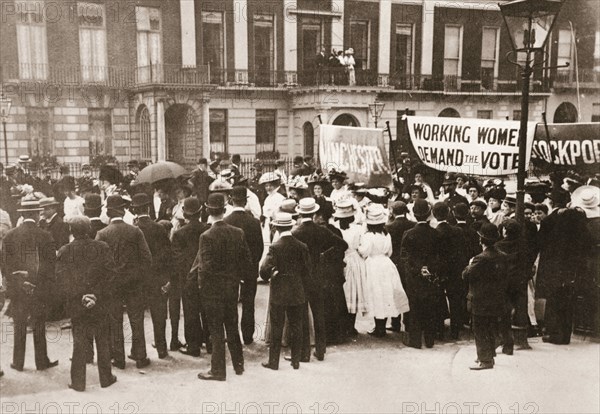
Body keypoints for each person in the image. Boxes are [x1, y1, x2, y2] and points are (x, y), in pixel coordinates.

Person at [195, 193, 252, 381]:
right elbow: (246, 261)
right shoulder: (238, 232)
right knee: (232, 325)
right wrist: (237, 279)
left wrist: (202, 288)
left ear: (209, 211)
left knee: (216, 329)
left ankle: (218, 370)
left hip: (213, 290)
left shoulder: (206, 236)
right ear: (224, 209)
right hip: (231, 287)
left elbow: (205, 268)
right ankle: (239, 365)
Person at [57, 216, 117, 392]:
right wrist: (95, 295)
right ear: (89, 229)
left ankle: (78, 382)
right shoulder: (102, 247)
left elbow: (62, 280)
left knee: (79, 341)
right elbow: (111, 275)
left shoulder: (65, 251)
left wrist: (81, 296)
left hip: (77, 303)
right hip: (100, 302)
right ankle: (106, 378)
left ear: (71, 231)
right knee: (103, 339)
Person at [1, 197, 59, 372]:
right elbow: (50, 265)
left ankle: (18, 362)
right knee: (39, 324)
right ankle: (41, 361)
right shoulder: (45, 235)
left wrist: (17, 282)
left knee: (19, 324)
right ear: (36, 213)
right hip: (39, 287)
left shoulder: (10, 235)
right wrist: (36, 281)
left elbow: (4, 264)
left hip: (18, 288)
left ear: (23, 214)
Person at [95, 195, 152, 369]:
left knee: (115, 319)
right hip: (134, 282)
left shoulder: (102, 233)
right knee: (136, 319)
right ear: (123, 210)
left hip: (112, 284)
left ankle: (118, 359)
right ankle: (140, 356)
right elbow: (147, 258)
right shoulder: (135, 231)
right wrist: (139, 276)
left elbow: (97, 262)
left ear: (109, 212)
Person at [292, 198, 348, 362]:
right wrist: (324, 255)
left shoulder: (296, 232)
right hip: (320, 276)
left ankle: (304, 353)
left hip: (302, 277)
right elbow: (343, 245)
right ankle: (321, 350)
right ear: (314, 212)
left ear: (300, 213)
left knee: (303, 315)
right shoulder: (322, 231)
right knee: (319, 314)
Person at [260, 212, 311, 370]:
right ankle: (295, 360)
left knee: (277, 326)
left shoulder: (275, 247)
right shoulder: (302, 246)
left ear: (276, 227)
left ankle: (273, 362)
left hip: (279, 290)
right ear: (291, 226)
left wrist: (272, 274)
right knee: (296, 325)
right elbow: (307, 270)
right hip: (297, 289)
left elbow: (264, 270)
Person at [130, 193, 174, 359]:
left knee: (137, 317)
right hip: (158, 279)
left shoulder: (133, 230)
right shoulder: (159, 228)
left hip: (139, 280)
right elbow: (168, 255)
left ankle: (137, 351)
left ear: (134, 210)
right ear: (148, 208)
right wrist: (167, 279)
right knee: (159, 315)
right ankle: (162, 349)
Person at [359, 204, 410, 337]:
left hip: (373, 265)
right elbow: (390, 251)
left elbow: (365, 251)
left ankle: (379, 327)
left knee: (376, 295)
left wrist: (359, 249)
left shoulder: (368, 236)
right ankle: (384, 325)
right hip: (386, 264)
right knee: (386, 293)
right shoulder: (386, 235)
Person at [462, 223, 507, 370]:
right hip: (496, 298)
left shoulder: (480, 258)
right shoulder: (502, 256)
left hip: (480, 299)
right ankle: (489, 355)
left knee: (480, 329)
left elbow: (466, 275)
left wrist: (469, 264)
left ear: (481, 239)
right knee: (490, 327)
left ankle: (485, 359)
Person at [224, 186, 265, 345]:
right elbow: (259, 247)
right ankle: (248, 336)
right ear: (246, 200)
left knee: (230, 303)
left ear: (231, 200)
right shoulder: (253, 222)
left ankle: (232, 335)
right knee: (249, 303)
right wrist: (252, 264)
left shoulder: (227, 221)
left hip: (231, 270)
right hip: (250, 269)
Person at [400, 199, 442, 349]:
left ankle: (415, 340)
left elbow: (404, 256)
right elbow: (439, 256)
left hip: (414, 276)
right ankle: (430, 340)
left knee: (415, 306)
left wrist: (417, 269)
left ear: (414, 214)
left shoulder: (409, 234)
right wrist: (429, 269)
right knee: (430, 306)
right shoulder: (436, 234)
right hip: (431, 275)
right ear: (429, 214)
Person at [171, 198, 211, 357]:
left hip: (188, 278)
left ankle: (193, 346)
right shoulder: (207, 229)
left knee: (191, 312)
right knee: (207, 311)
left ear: (185, 214)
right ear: (200, 212)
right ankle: (210, 343)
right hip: (206, 276)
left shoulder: (179, 233)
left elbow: (177, 260)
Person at [495, 219, 531, 353]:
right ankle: (519, 339)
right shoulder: (524, 246)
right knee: (520, 309)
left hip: (503, 283)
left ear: (505, 231)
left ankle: (505, 342)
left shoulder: (499, 245)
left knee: (503, 312)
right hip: (519, 283)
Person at [433, 202, 467, 340]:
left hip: (440, 271)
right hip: (455, 270)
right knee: (455, 300)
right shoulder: (457, 231)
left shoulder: (435, 232)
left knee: (439, 299)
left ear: (434, 215)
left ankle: (440, 331)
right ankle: (455, 331)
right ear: (449, 213)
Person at [334, 200, 367, 336]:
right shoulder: (356, 229)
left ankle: (346, 326)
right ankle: (348, 326)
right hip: (352, 260)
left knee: (347, 292)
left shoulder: (336, 228)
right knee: (351, 292)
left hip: (345, 260)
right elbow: (362, 247)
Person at [385, 201, 415, 332]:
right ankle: (408, 322)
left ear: (392, 211)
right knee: (408, 291)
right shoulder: (413, 225)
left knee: (395, 291)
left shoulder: (388, 227)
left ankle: (395, 322)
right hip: (409, 262)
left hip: (394, 262)